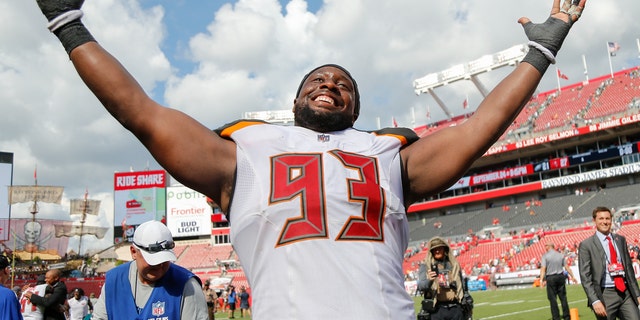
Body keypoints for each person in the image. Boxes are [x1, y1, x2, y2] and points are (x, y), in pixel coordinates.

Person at [32, 0, 586, 318]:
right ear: (294, 103)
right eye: (316, 81)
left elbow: (477, 130)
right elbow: (141, 113)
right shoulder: (243, 150)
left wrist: (543, 49)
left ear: (357, 107)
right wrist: (67, 21)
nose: (329, 85)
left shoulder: (389, 153)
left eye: (342, 83)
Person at [91, 220, 208, 319]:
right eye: (153, 260)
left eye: (164, 259)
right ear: (133, 252)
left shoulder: (187, 285)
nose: (159, 265)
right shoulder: (114, 282)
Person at [579, 207, 640, 320]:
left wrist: (637, 294)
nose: (605, 222)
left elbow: (628, 269)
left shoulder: (620, 239)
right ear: (594, 221)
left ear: (611, 220)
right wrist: (595, 301)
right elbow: (585, 277)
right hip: (605, 294)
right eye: (601, 218)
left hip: (625, 292)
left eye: (607, 218)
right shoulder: (586, 245)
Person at [417, 237, 468, 320]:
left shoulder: (454, 265)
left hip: (455, 308)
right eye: (434, 249)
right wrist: (430, 280)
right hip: (436, 310)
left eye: (439, 248)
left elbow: (462, 285)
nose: (437, 251)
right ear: (431, 252)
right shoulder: (425, 266)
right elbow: (421, 286)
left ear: (445, 249)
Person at [540, 242, 576, 320]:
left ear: (549, 246)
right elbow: (567, 267)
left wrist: (541, 280)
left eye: (546, 245)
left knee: (552, 299)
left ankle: (556, 317)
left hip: (551, 278)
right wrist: (572, 276)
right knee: (563, 297)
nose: (545, 247)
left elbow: (543, 268)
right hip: (560, 276)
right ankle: (567, 316)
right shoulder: (560, 255)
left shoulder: (545, 256)